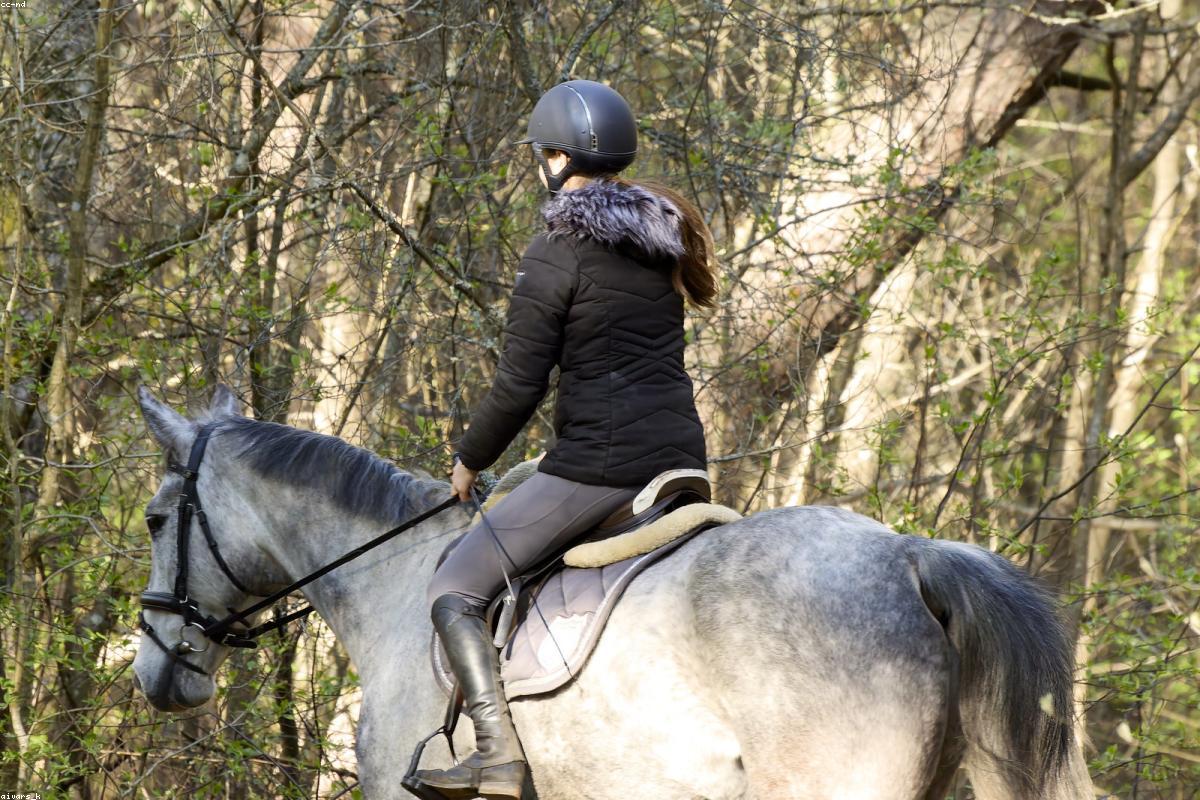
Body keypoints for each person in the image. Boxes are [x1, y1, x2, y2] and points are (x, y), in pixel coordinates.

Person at [411, 79, 719, 800]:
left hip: (602, 469)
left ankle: (496, 758)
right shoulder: (658, 241)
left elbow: (519, 386)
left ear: (555, 157)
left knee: (454, 586)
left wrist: (468, 460)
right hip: (680, 459)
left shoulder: (557, 249)